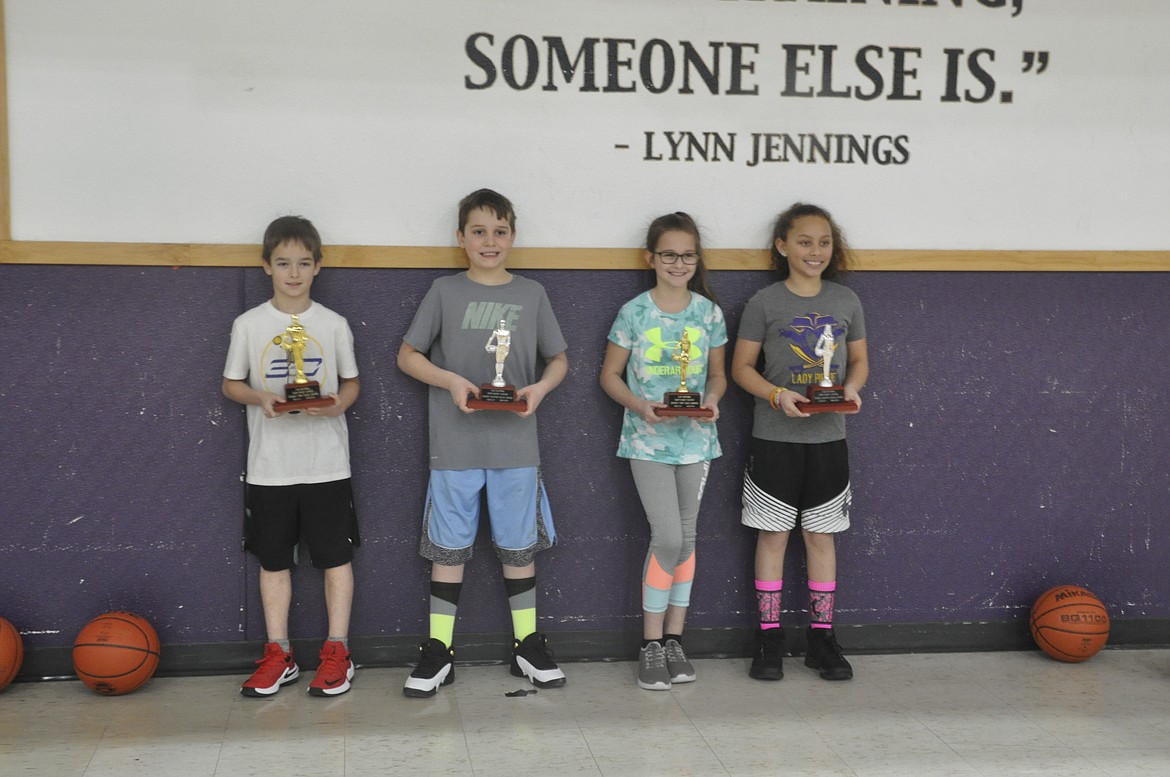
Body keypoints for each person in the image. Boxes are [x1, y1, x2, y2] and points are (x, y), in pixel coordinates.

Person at [397, 188, 569, 698]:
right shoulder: (444, 291)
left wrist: (540, 386)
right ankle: (439, 650)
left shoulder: (532, 294)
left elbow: (558, 359)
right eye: (478, 231)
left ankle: (526, 645)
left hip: (515, 446)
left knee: (519, 548)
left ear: (512, 237)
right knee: (448, 550)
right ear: (461, 238)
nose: (489, 241)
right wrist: (449, 380)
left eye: (499, 231)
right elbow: (407, 355)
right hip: (455, 447)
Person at [222, 216, 361, 697]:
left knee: (335, 558)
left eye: (304, 263)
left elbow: (351, 381)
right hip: (270, 468)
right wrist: (260, 398)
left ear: (318, 267)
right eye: (283, 263)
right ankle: (279, 653)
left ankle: (338, 649)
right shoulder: (249, 324)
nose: (294, 272)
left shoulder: (332, 324)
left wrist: (339, 403)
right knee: (273, 561)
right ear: (266, 267)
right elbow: (231, 383)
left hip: (327, 464)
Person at [731, 203, 869, 682]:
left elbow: (860, 363)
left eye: (824, 242)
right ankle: (769, 637)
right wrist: (775, 394)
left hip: (829, 438)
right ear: (782, 246)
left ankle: (821, 638)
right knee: (773, 535)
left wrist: (852, 388)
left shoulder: (846, 301)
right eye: (805, 241)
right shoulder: (764, 303)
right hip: (774, 438)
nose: (815, 251)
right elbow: (740, 369)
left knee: (820, 536)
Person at [599, 212, 727, 691]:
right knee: (668, 537)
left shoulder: (709, 313)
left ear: (697, 259)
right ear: (650, 258)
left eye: (688, 255)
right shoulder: (634, 312)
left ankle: (675, 640)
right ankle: (649, 645)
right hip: (647, 441)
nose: (679, 263)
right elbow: (609, 376)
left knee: (688, 541)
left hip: (696, 442)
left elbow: (717, 376)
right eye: (669, 254)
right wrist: (639, 405)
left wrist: (712, 401)